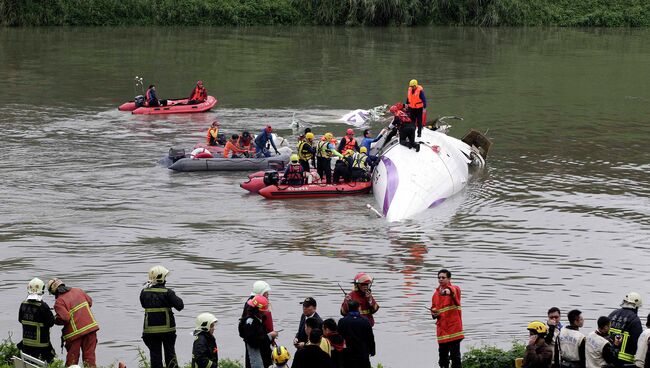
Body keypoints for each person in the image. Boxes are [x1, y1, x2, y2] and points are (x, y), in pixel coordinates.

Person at [47, 278, 99, 368]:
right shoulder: (78, 290)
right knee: (89, 358)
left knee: (72, 360)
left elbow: (65, 318)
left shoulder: (59, 302)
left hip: (74, 335)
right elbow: (89, 302)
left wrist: (55, 319)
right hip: (91, 328)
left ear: (53, 291)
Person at [140, 266, 184, 368]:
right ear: (162, 278)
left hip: (150, 331)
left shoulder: (144, 292)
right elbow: (180, 306)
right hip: (167, 331)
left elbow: (143, 304)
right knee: (170, 355)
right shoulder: (168, 293)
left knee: (155, 357)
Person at [430, 269, 463, 368]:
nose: (440, 279)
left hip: (453, 329)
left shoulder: (455, 289)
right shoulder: (435, 294)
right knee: (443, 358)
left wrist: (447, 291)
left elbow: (452, 291)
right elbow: (433, 309)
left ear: (449, 279)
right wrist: (434, 313)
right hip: (442, 331)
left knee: (455, 357)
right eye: (439, 277)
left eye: (443, 277)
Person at [17, 278, 56, 362]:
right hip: (42, 346)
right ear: (42, 290)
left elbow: (20, 320)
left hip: (26, 344)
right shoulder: (43, 306)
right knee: (50, 359)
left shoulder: (23, 304)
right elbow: (51, 322)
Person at [240, 295, 278, 368]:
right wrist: (270, 336)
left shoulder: (257, 320)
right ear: (260, 311)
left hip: (262, 358)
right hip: (256, 361)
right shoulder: (250, 323)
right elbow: (255, 342)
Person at [608, 292, 643, 366]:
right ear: (636, 306)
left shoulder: (612, 314)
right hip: (624, 360)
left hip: (609, 356)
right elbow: (639, 342)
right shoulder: (635, 319)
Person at [338, 301, 375, 368]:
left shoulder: (342, 321)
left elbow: (339, 338)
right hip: (363, 354)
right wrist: (372, 350)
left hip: (347, 355)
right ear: (358, 308)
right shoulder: (365, 321)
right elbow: (370, 337)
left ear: (348, 308)